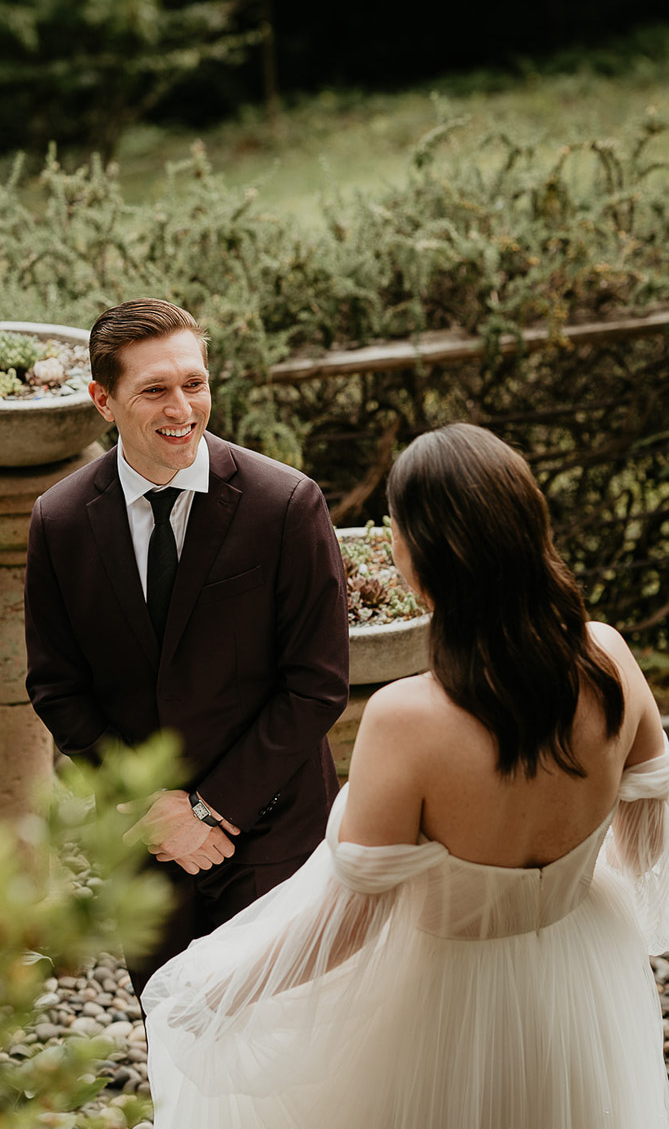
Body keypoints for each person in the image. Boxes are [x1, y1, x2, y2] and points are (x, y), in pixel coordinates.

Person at [143, 422, 669, 1129]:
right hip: (584, 959)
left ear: (424, 555)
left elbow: (350, 920)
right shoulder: (606, 657)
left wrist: (223, 993)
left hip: (450, 996)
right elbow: (646, 827)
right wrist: (564, 878)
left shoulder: (404, 718)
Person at [24, 297, 349, 996]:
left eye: (194, 383)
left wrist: (207, 811)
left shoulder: (286, 505)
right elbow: (56, 685)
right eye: (155, 389)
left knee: (282, 1039)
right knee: (174, 1034)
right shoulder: (58, 521)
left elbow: (316, 682)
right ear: (101, 400)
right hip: (144, 847)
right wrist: (152, 810)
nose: (182, 407)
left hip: (272, 833)